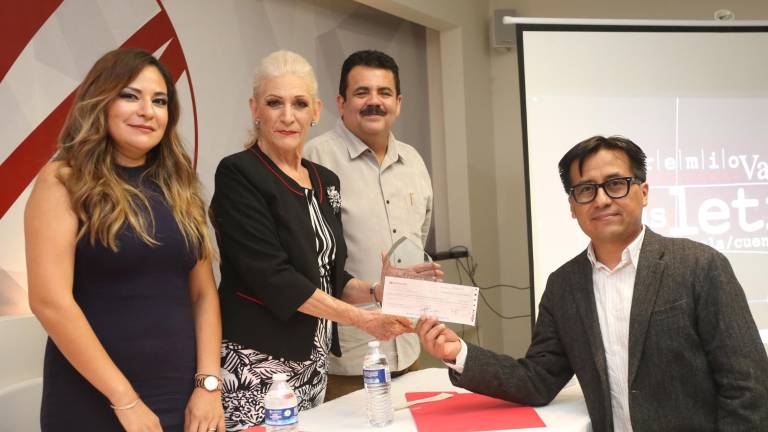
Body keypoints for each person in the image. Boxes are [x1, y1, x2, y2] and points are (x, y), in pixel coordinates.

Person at [417, 136, 768, 431]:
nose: (601, 199)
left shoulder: (699, 266)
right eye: (586, 189)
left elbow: (748, 387)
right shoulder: (564, 285)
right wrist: (458, 353)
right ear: (573, 206)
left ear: (643, 191)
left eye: (616, 184)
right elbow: (539, 378)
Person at [209, 50, 437, 431]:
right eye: (274, 103)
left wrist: (376, 291)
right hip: (256, 361)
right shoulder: (238, 173)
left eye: (299, 104)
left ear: (315, 111)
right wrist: (361, 321)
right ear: (255, 109)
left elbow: (330, 276)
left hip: (312, 359)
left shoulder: (323, 179)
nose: (287, 116)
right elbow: (275, 278)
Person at [26, 48, 224, 432]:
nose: (147, 110)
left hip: (184, 397)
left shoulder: (179, 187)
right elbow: (50, 301)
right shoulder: (63, 180)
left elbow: (203, 295)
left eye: (160, 101)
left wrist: (208, 386)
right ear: (100, 102)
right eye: (130, 95)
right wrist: (125, 400)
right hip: (95, 398)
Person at [304, 49, 434, 400]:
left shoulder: (413, 162)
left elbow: (416, 244)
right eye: (362, 93)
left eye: (384, 93)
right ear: (341, 102)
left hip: (408, 350)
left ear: (399, 102)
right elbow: (307, 264)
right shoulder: (313, 161)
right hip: (345, 361)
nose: (374, 102)